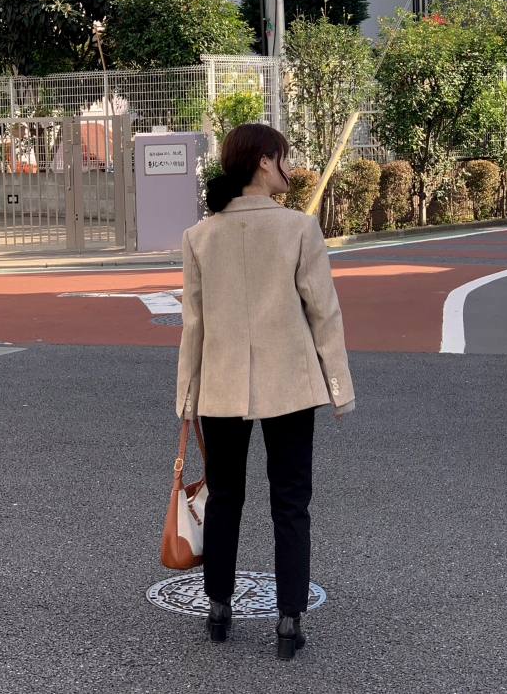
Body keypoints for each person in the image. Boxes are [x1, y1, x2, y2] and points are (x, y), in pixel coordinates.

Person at [176, 122, 355, 660]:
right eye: (284, 157)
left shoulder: (200, 236)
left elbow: (193, 326)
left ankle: (218, 608)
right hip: (291, 384)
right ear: (262, 162)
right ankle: (289, 620)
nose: (289, 167)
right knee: (291, 501)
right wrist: (339, 388)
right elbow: (324, 314)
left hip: (221, 384)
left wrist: (186, 397)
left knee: (224, 497)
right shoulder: (300, 229)